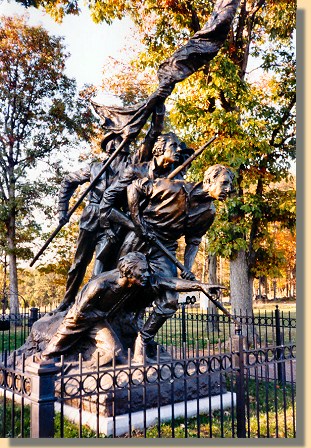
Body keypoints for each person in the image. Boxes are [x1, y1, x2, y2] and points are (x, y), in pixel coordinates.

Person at [124, 164, 235, 354]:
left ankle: (143, 339)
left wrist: (187, 269)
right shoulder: (172, 186)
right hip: (139, 240)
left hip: (164, 249)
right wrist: (137, 221)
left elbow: (193, 241)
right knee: (123, 286)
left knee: (170, 300)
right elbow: (133, 187)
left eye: (230, 185)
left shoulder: (209, 212)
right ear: (208, 181)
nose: (228, 189)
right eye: (224, 183)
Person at [55, 136, 131, 312]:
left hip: (113, 221)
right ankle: (67, 301)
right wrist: (62, 210)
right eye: (121, 142)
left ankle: (91, 305)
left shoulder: (129, 170)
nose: (126, 145)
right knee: (79, 262)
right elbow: (68, 181)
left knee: (101, 265)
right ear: (111, 147)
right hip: (91, 218)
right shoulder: (95, 167)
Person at [41, 252, 150, 361]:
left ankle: (94, 364)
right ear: (129, 270)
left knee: (116, 352)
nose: (147, 275)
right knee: (49, 354)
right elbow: (79, 313)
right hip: (78, 320)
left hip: (97, 320)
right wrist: (102, 315)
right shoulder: (101, 284)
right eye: (142, 270)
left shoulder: (131, 286)